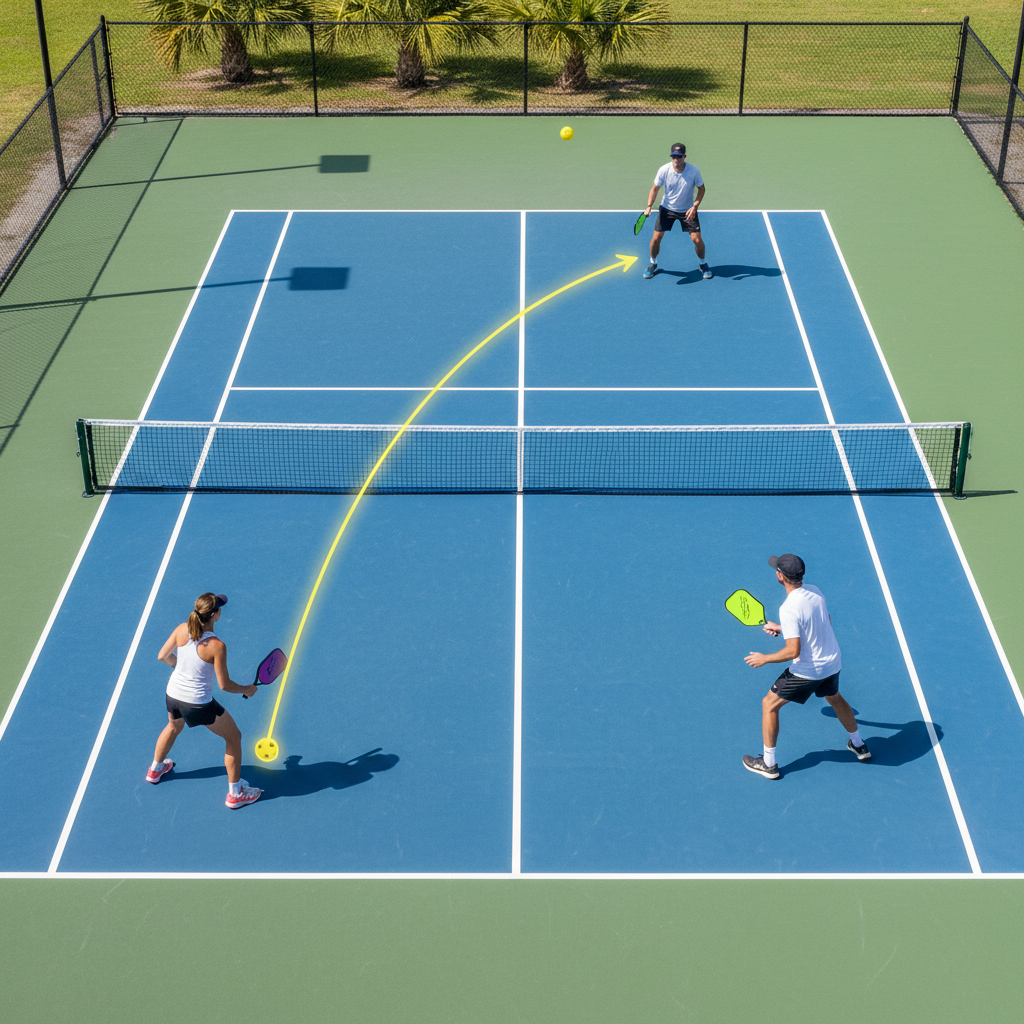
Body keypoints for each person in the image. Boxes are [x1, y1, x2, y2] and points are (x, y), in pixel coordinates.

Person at [742, 554, 870, 780]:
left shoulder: (789, 607)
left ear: (780, 576)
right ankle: (859, 745)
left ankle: (768, 764)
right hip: (832, 661)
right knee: (834, 697)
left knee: (769, 705)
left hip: (809, 671)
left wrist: (765, 658)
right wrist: (784, 628)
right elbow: (824, 622)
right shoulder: (815, 591)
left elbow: (793, 652)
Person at [147, 592, 262, 808]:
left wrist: (183, 669)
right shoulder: (217, 645)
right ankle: (235, 794)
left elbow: (163, 655)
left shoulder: (182, 629)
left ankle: (155, 769)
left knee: (173, 727)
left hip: (173, 695)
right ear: (216, 615)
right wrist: (247, 689)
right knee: (234, 738)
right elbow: (224, 684)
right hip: (198, 703)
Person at [642, 142, 711, 281]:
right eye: (673, 156)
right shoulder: (664, 170)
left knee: (697, 239)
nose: (676, 159)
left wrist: (695, 206)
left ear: (684, 156)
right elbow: (654, 188)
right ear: (670, 156)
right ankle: (652, 263)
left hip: (687, 210)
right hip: (667, 209)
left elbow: (702, 189)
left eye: (679, 156)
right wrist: (649, 205)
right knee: (656, 238)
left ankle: (703, 264)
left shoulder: (693, 171)